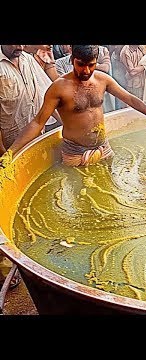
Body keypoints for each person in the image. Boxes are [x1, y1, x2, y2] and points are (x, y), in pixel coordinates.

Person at [2, 45, 146, 169]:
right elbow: (38, 122)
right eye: (80, 64)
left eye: (91, 65)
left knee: (108, 190)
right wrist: (11, 152)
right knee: (80, 200)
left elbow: (130, 99)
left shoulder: (103, 79)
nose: (86, 70)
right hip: (74, 153)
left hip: (103, 146)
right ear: (72, 60)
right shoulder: (59, 88)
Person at [0, 45, 61, 290]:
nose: (22, 47)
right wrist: (3, 152)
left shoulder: (27, 60)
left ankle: (34, 247)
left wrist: (68, 126)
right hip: (7, 147)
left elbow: (51, 94)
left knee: (36, 197)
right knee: (5, 206)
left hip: (35, 138)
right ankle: (7, 268)